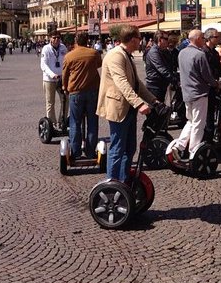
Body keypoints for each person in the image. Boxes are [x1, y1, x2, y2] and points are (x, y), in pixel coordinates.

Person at [96, 25, 157, 183]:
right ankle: (112, 183)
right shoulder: (116, 55)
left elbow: (136, 84)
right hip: (118, 107)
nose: (140, 42)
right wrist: (139, 104)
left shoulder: (126, 54)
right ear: (133, 39)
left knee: (130, 148)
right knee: (117, 148)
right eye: (139, 39)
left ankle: (123, 182)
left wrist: (153, 100)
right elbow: (121, 82)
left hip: (128, 108)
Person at [169, 29, 221, 160]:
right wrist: (216, 84)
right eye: (202, 38)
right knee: (199, 123)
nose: (204, 40)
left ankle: (180, 145)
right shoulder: (199, 55)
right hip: (199, 93)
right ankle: (193, 151)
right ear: (197, 39)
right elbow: (207, 75)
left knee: (191, 121)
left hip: (187, 93)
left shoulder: (181, 53)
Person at [62, 32, 102, 160]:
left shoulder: (69, 56)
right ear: (87, 41)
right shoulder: (94, 53)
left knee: (75, 122)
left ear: (76, 41)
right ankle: (90, 152)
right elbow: (99, 64)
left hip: (76, 92)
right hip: (92, 91)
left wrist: (65, 87)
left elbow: (65, 75)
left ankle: (76, 152)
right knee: (92, 122)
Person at [40, 31, 68, 127]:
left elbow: (66, 61)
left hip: (61, 79)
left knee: (65, 100)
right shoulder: (46, 49)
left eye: (58, 37)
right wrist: (52, 75)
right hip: (49, 80)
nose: (56, 39)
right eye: (54, 37)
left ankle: (61, 121)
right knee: (50, 102)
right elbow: (43, 65)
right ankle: (51, 123)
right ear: (50, 38)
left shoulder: (63, 48)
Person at [144, 30, 174, 103]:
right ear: (160, 39)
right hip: (154, 87)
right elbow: (162, 69)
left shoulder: (164, 51)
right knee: (156, 112)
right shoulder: (154, 52)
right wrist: (175, 80)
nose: (168, 41)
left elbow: (171, 65)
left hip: (161, 86)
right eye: (166, 39)